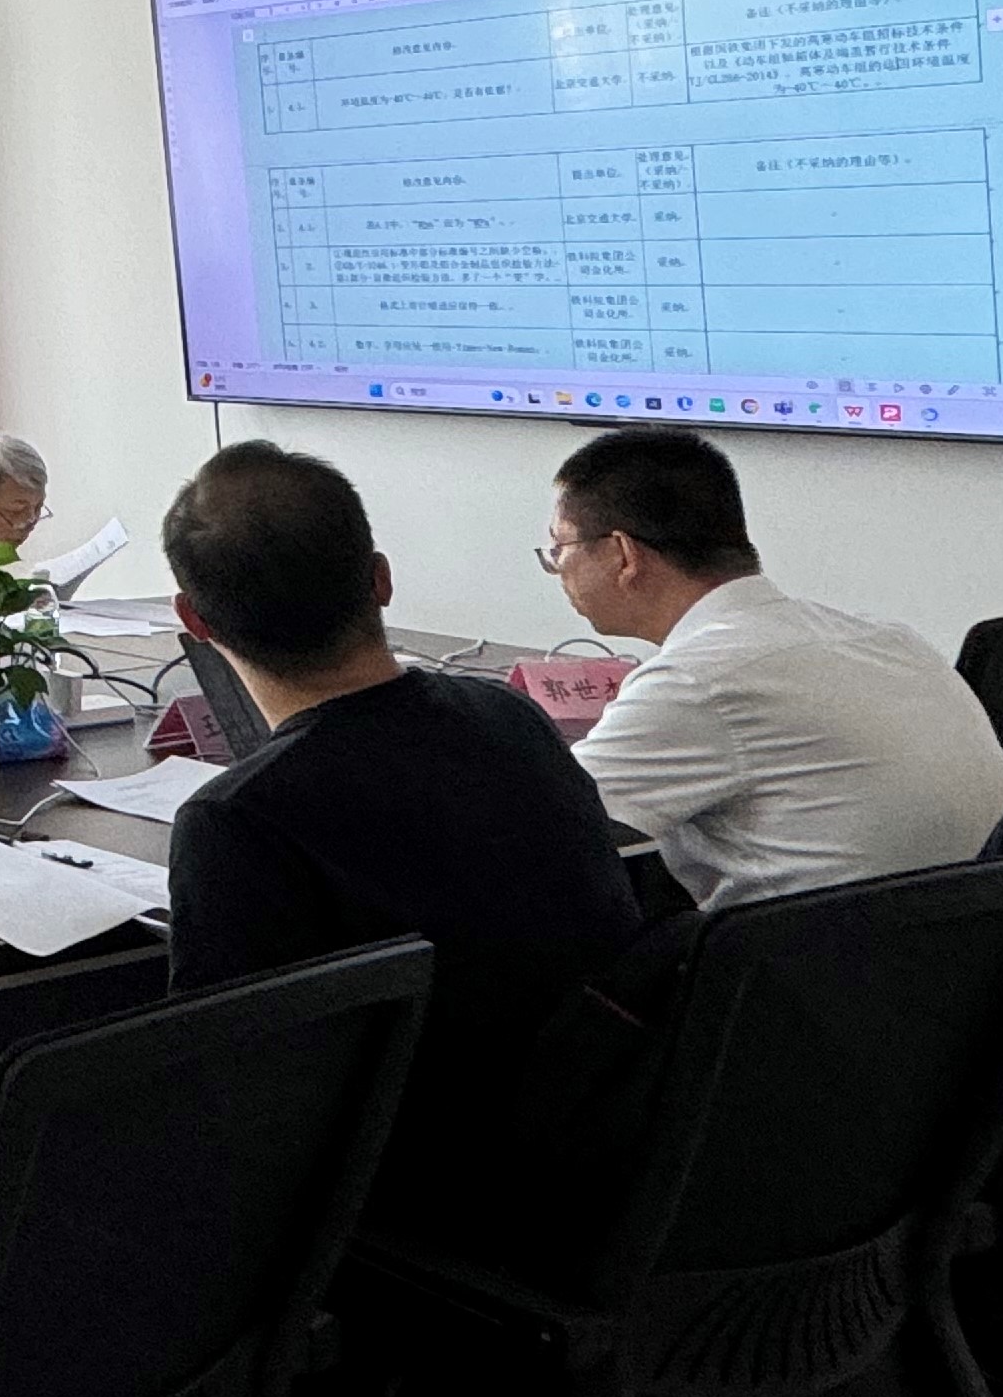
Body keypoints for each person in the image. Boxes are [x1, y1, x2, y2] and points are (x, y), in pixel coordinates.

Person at [158, 442, 642, 1225]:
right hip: (602, 1162)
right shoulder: (511, 719)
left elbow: (229, 1095)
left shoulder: (239, 818)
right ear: (381, 579)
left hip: (416, 1209)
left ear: (194, 621)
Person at [547, 427, 1003, 909]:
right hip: (986, 944)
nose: (557, 567)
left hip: (819, 951)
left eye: (560, 547)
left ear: (623, 555)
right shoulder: (889, 640)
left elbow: (541, 817)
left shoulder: (699, 680)